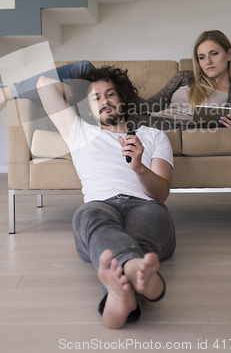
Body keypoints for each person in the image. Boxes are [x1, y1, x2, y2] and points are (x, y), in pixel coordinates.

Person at [35, 65, 176, 328]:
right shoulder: (78, 131)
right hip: (100, 206)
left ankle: (120, 294)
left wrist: (138, 167)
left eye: (110, 94)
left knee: (149, 222)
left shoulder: (153, 136)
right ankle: (139, 277)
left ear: (122, 98)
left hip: (146, 206)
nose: (105, 101)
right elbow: (44, 83)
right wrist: (81, 84)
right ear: (87, 108)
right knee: (89, 216)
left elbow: (161, 194)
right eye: (96, 98)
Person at [0, 30, 231, 128]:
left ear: (229, 54)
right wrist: (117, 96)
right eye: (202, 56)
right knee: (84, 67)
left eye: (214, 54)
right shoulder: (185, 77)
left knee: (58, 91)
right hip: (138, 113)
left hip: (146, 126)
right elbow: (151, 104)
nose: (207, 62)